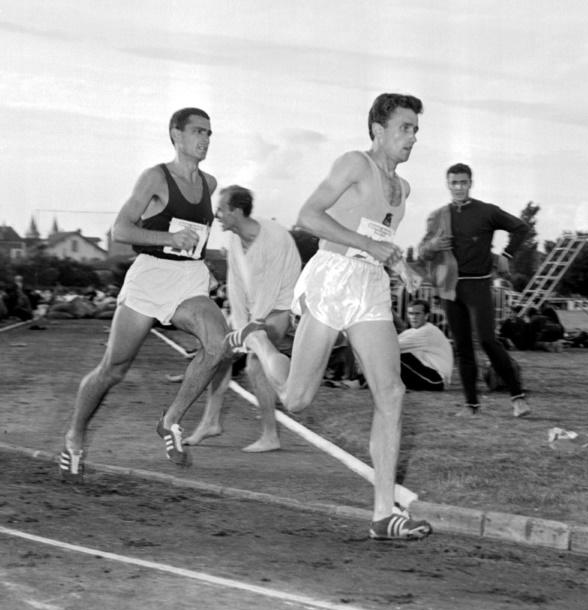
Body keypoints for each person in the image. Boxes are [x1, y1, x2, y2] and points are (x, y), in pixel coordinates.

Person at [227, 93, 432, 540]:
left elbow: (377, 237)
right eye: (405, 127)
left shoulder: (404, 189)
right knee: (297, 398)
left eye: (416, 129)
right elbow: (308, 216)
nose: (412, 137)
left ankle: (384, 514)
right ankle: (259, 341)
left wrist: (400, 264)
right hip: (331, 279)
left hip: (369, 287)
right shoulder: (355, 164)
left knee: (392, 393)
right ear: (378, 129)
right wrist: (367, 247)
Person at [59, 107, 231, 482]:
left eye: (209, 133)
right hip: (150, 277)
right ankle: (75, 435)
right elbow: (121, 229)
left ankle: (170, 420)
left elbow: (196, 238)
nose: (204, 140)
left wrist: (205, 261)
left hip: (188, 278)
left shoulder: (210, 184)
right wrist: (169, 238)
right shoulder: (155, 177)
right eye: (198, 132)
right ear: (176, 134)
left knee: (219, 346)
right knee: (113, 370)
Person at [183, 185, 302, 452]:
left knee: (253, 365)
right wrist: (237, 328)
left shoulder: (274, 237)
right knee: (220, 353)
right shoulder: (235, 240)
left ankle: (271, 432)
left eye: (221, 210)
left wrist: (250, 329)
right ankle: (211, 422)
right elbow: (235, 287)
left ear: (236, 211)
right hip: (254, 312)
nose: (217, 215)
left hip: (279, 309)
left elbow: (271, 291)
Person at [418, 163, 531, 417]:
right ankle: (471, 405)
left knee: (489, 341)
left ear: (471, 183)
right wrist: (434, 244)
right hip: (451, 288)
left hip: (479, 285)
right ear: (447, 184)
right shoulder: (438, 216)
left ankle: (518, 398)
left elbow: (522, 227)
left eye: (463, 182)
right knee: (463, 347)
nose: (458, 187)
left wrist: (507, 254)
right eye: (454, 183)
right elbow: (423, 251)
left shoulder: (487, 211)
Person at [398, 299, 453, 391]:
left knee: (394, 356)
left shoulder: (428, 331)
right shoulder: (411, 332)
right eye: (411, 314)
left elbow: (390, 347)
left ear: (426, 315)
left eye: (417, 314)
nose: (413, 317)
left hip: (437, 380)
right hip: (426, 374)